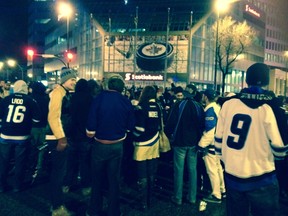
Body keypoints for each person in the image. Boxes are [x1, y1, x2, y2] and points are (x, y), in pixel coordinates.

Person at [214, 63, 288, 216]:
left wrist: (230, 161)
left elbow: (218, 144)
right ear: (267, 81)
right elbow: (280, 151)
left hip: (232, 176)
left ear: (247, 80)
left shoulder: (228, 104)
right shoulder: (271, 108)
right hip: (262, 178)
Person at [86, 74, 135, 216]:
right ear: (121, 87)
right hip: (118, 146)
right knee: (114, 180)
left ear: (108, 85)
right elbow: (130, 126)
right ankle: (114, 211)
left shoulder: (98, 99)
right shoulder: (126, 101)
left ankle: (94, 210)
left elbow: (90, 130)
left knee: (97, 179)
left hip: (100, 145)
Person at [165, 86, 204, 205]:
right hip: (193, 143)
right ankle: (192, 197)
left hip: (180, 141)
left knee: (179, 170)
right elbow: (202, 125)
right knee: (193, 170)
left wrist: (169, 134)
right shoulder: (198, 106)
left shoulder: (179, 104)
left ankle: (178, 197)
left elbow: (170, 122)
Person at [46, 67, 77, 216]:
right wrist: (61, 138)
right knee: (58, 173)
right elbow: (53, 117)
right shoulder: (58, 93)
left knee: (59, 173)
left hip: (59, 137)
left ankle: (57, 204)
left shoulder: (63, 93)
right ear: (65, 80)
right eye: (72, 79)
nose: (74, 82)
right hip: (57, 139)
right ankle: (57, 207)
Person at [0, 80, 41, 192]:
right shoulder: (31, 101)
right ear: (25, 89)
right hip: (22, 136)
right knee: (20, 162)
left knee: (4, 161)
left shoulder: (6, 100)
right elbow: (37, 120)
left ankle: (1, 186)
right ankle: (17, 186)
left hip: (5, 135)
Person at [63, 79, 95, 196]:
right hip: (85, 135)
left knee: (71, 162)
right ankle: (85, 186)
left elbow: (68, 115)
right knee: (85, 162)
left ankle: (67, 184)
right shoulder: (90, 99)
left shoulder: (72, 98)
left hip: (72, 135)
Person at [132, 85, 162, 210]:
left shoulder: (141, 107)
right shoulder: (158, 107)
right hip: (155, 141)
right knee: (151, 171)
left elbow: (140, 129)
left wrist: (133, 136)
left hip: (142, 144)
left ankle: (143, 202)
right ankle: (151, 198)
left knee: (142, 173)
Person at [198, 89, 225, 204]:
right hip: (219, 144)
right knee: (218, 168)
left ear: (205, 96)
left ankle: (216, 195)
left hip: (211, 145)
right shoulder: (218, 108)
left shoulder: (210, 110)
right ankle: (222, 189)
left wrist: (201, 144)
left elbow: (210, 131)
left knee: (212, 170)